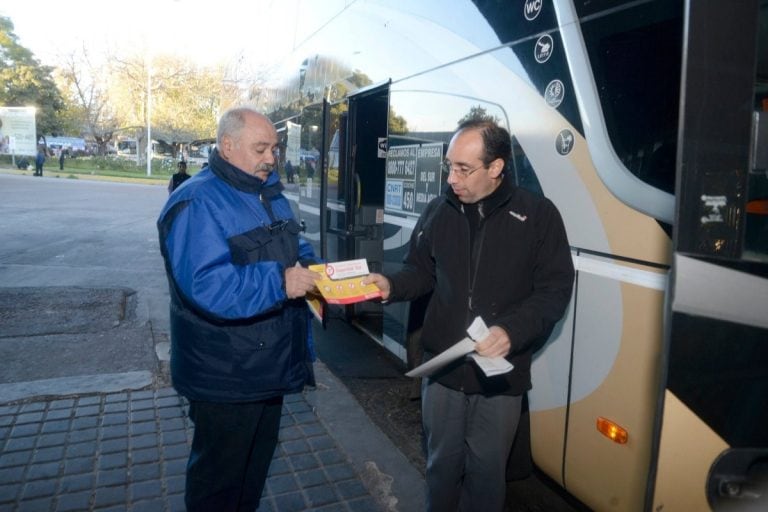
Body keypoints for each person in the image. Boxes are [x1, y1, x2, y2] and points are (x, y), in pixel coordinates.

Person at [363, 119, 575, 511]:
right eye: (449, 166)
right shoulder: (438, 211)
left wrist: (512, 330)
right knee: (441, 466)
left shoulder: (538, 215)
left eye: (463, 169)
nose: (451, 178)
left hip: (499, 377)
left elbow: (555, 291)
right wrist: (391, 287)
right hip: (442, 370)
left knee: (486, 474)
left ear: (495, 168)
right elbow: (420, 273)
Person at [156, 106, 322, 511]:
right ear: (227, 147)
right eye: (261, 148)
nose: (271, 158)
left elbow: (293, 248)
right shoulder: (197, 201)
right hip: (226, 374)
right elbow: (206, 286)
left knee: (251, 475)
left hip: (267, 365)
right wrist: (280, 282)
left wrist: (316, 271)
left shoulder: (269, 193)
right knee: (219, 483)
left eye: (275, 148)